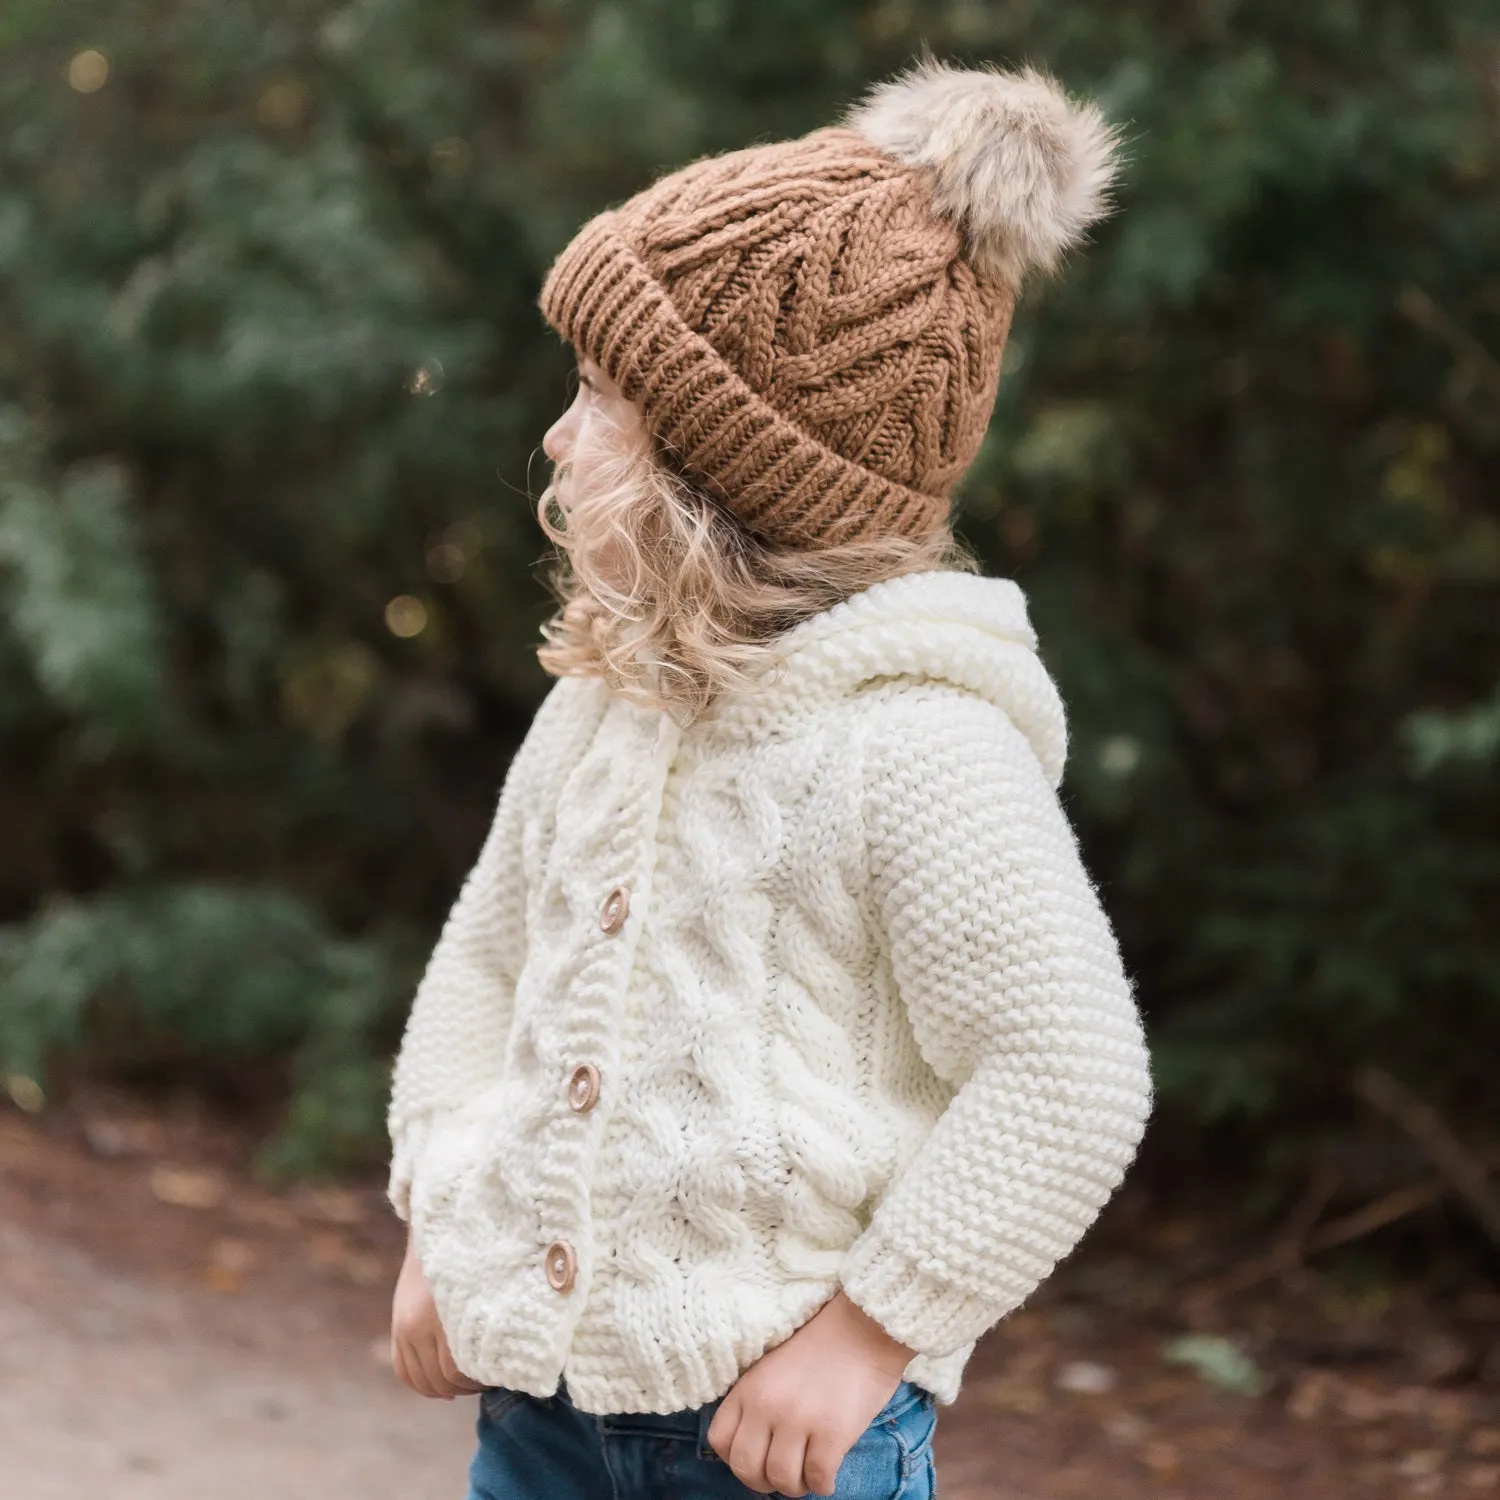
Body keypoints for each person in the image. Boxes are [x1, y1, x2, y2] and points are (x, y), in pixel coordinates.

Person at [385, 54, 1154, 1500]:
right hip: (540, 1417)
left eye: (603, 400)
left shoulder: (917, 746)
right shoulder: (601, 709)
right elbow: (484, 973)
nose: (557, 434)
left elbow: (1069, 1073)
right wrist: (444, 1225)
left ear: (720, 476)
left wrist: (873, 1336)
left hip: (783, 1439)